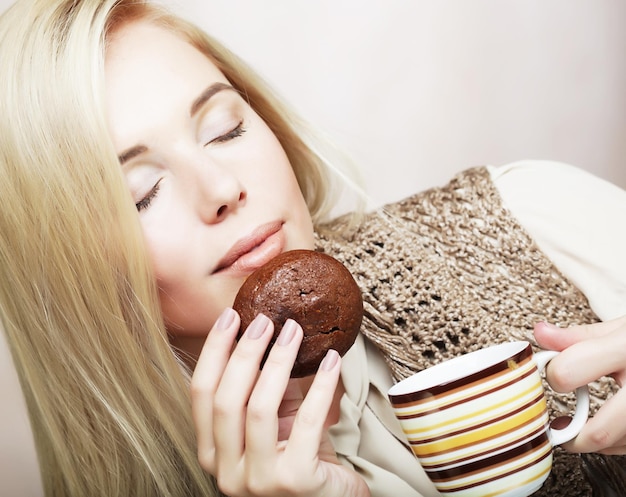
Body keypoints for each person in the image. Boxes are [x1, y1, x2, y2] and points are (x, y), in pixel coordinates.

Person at [0, 1, 624, 496]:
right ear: (69, 279)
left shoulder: (529, 215)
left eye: (226, 127)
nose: (222, 188)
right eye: (140, 194)